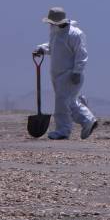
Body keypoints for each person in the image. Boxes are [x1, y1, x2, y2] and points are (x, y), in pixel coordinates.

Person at [32, 7, 99, 140]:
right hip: (57, 74)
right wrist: (41, 49)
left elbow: (81, 54)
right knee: (69, 102)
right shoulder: (55, 32)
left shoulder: (75, 34)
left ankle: (63, 130)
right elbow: (53, 47)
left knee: (62, 103)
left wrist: (77, 71)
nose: (50, 25)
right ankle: (87, 120)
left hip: (70, 74)